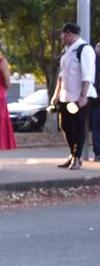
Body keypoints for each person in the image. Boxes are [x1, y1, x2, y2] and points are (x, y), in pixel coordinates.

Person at [52, 22, 95, 169]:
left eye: (63, 34)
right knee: (65, 125)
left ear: (69, 33)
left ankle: (77, 157)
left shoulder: (84, 49)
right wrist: (56, 94)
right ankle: (72, 153)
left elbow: (88, 74)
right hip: (66, 96)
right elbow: (62, 75)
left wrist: (83, 95)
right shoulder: (66, 51)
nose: (61, 37)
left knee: (78, 126)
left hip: (79, 96)